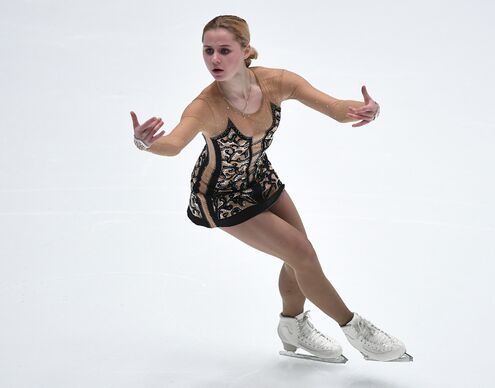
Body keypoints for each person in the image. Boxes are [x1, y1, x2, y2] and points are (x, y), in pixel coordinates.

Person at [130, 15, 410, 363]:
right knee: (301, 253)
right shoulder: (206, 107)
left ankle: (292, 325)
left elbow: (334, 107)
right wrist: (146, 143)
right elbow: (173, 144)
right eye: (207, 51)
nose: (214, 59)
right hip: (220, 197)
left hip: (260, 178)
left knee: (299, 258)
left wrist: (363, 110)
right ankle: (357, 330)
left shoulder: (276, 82)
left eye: (224, 50)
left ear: (245, 50)